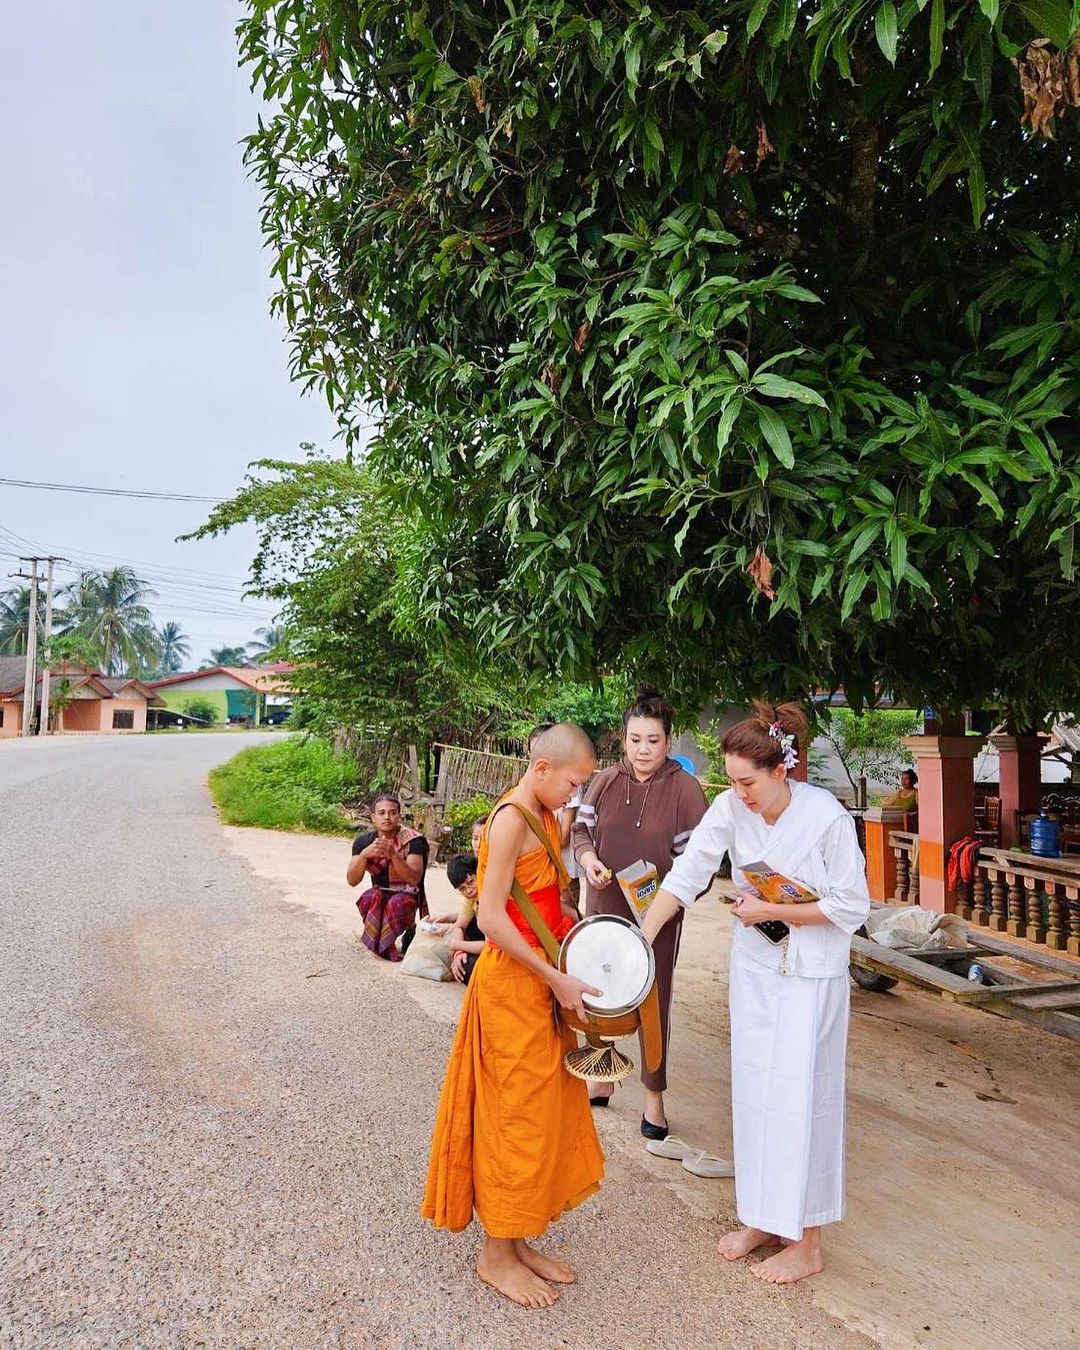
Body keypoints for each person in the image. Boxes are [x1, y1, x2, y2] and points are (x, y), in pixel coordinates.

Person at [641, 702, 870, 1284]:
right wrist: (640, 938)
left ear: (781, 770)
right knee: (755, 1093)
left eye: (748, 781)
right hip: (757, 969)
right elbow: (688, 873)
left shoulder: (826, 818)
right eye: (733, 781)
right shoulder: (730, 808)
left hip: (811, 979)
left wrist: (771, 907)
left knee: (803, 1100)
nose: (739, 792)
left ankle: (808, 1240)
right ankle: (764, 1218)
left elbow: (852, 905)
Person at [422, 723, 604, 1309]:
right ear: (543, 769)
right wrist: (555, 976)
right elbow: (494, 918)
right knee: (511, 1116)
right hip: (511, 990)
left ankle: (518, 1236)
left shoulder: (549, 817)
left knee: (539, 1112)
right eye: (573, 782)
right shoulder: (509, 821)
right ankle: (495, 1254)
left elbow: (548, 899)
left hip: (542, 986)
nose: (575, 795)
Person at [571, 685, 707, 1138]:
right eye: (634, 739)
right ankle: (601, 1075)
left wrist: (670, 896)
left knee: (653, 997)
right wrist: (589, 861)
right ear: (623, 740)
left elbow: (698, 863)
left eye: (653, 740)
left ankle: (654, 1098)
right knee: (599, 988)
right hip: (605, 901)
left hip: (658, 910)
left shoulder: (686, 790)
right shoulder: (606, 780)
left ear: (669, 740)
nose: (643, 749)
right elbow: (582, 832)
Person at [347, 792, 429, 961]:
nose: (387, 817)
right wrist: (364, 855)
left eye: (392, 813)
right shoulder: (364, 842)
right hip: (380, 891)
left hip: (406, 892)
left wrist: (393, 854)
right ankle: (384, 944)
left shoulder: (413, 840)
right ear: (373, 817)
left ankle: (401, 934)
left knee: (397, 903)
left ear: (399, 816)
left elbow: (414, 879)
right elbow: (352, 880)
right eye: (382, 813)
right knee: (370, 897)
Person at [446, 852, 486, 985]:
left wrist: (456, 945)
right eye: (462, 888)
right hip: (482, 944)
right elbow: (459, 925)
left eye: (471, 882)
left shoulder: (489, 896)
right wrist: (459, 952)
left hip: (499, 949)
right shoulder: (473, 899)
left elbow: (491, 945)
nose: (469, 890)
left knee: (469, 969)